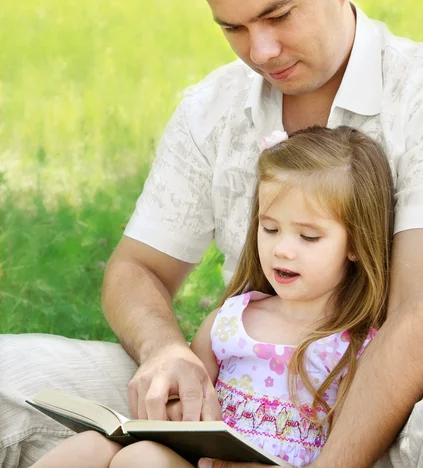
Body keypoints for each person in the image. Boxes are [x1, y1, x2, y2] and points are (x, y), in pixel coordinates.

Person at [1, 0, 423, 468]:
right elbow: (136, 268)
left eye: (278, 15)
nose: (262, 51)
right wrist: (167, 352)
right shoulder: (211, 108)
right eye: (233, 28)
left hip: (418, 413)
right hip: (242, 407)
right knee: (7, 372)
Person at [31, 126, 394, 468]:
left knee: (139, 461)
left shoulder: (355, 346)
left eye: (308, 237)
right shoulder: (230, 321)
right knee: (93, 447)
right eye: (270, 228)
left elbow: (350, 448)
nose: (282, 249)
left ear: (356, 244)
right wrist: (166, 413)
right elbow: (191, 411)